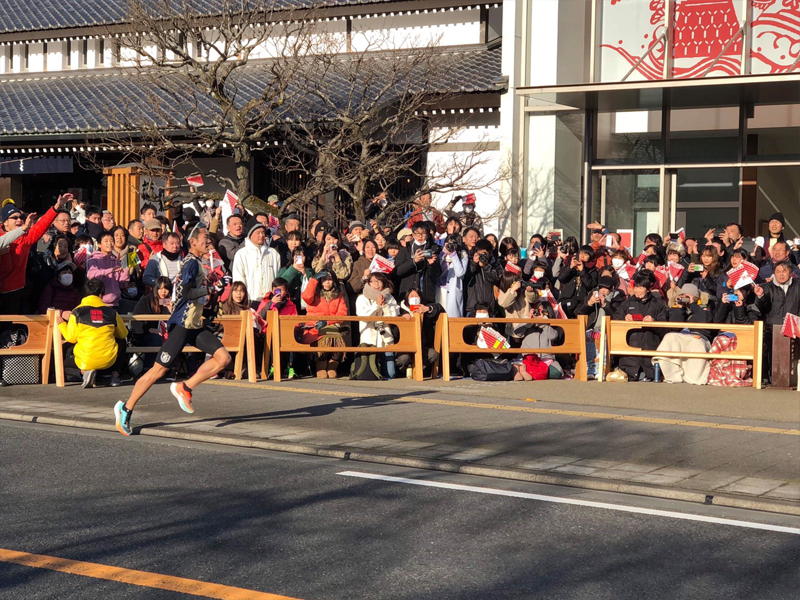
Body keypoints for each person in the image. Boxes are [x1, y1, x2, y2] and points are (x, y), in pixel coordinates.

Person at [114, 226, 232, 436]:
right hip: (182, 324)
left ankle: (185, 387)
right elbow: (186, 293)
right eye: (205, 239)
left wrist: (215, 287)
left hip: (194, 325)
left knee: (223, 358)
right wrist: (211, 289)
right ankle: (126, 408)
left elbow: (198, 294)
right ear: (193, 242)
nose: (209, 242)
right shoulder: (190, 263)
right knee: (158, 370)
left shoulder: (197, 263)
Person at [0, 193, 70, 313]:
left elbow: (41, 226)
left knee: (10, 327)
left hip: (14, 290)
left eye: (21, 217)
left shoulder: (25, 237)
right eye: (14, 217)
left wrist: (56, 207)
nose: (19, 220)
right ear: (5, 222)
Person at [58, 278, 128, 389]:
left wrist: (62, 325)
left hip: (85, 359)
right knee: (122, 342)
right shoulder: (111, 312)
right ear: (101, 295)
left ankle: (85, 371)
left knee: (68, 352)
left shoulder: (76, 312)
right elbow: (123, 334)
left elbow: (71, 338)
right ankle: (115, 375)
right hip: (109, 360)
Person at [613, 271, 667, 382]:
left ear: (647, 289)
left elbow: (664, 327)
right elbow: (615, 320)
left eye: (641, 288)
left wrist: (654, 322)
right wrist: (624, 320)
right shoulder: (626, 304)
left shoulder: (658, 304)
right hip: (630, 350)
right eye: (636, 287)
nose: (638, 291)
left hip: (650, 346)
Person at [754, 261, 800, 385]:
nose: (781, 275)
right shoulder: (767, 287)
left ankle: (794, 379)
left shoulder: (798, 286)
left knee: (795, 356)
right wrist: (760, 296)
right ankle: (771, 379)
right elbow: (762, 307)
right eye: (778, 272)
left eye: (784, 271)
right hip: (772, 328)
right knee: (771, 355)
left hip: (795, 327)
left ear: (790, 273)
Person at [301, 271, 348, 379]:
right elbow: (306, 297)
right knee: (324, 341)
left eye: (330, 279)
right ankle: (321, 367)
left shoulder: (338, 295)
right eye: (324, 279)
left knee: (337, 340)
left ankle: (332, 367)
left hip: (332, 325)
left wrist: (327, 321)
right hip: (315, 327)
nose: (327, 282)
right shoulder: (314, 294)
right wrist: (314, 280)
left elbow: (342, 313)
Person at [356, 272, 400, 378]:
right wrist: (377, 305)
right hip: (369, 339)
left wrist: (384, 306)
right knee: (370, 374)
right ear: (368, 283)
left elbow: (394, 316)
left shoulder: (389, 297)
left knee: (391, 373)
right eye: (373, 281)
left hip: (385, 338)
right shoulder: (362, 298)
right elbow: (363, 315)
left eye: (379, 281)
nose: (376, 284)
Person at [231, 218, 281, 300]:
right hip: (250, 299)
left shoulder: (273, 254)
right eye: (258, 233)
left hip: (270, 300)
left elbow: (277, 277)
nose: (261, 235)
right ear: (250, 235)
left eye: (263, 232)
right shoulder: (241, 254)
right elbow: (238, 278)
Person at [396, 288, 443, 375]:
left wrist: (428, 309)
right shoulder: (399, 308)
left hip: (421, 345)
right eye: (412, 296)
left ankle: (417, 370)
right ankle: (402, 373)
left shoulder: (424, 308)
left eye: (417, 296)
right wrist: (401, 316)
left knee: (433, 354)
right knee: (404, 359)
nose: (414, 298)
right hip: (403, 346)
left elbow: (440, 309)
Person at [131, 276, 173, 370]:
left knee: (175, 338)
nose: (163, 291)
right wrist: (149, 329)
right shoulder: (146, 300)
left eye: (166, 288)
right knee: (156, 339)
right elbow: (135, 321)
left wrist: (170, 309)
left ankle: (170, 368)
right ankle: (150, 368)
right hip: (145, 333)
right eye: (160, 288)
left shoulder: (170, 302)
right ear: (156, 288)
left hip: (166, 332)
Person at [395, 222, 442, 304]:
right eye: (417, 234)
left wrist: (431, 265)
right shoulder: (405, 250)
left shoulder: (433, 249)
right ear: (413, 235)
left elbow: (436, 276)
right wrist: (413, 261)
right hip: (408, 292)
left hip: (426, 292)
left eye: (423, 233)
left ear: (428, 234)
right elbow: (398, 271)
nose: (420, 236)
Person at [87, 231, 129, 307]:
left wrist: (126, 270)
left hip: (116, 302)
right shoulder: (94, 260)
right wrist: (110, 270)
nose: (109, 243)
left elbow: (122, 284)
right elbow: (91, 275)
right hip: (99, 303)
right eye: (106, 241)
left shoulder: (116, 261)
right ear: (99, 244)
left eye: (111, 241)